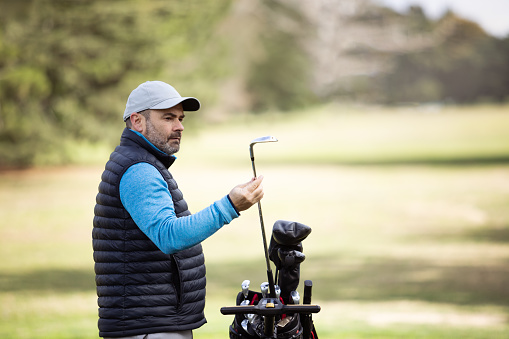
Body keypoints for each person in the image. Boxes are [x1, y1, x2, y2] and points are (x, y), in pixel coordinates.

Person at [93, 81, 264, 339]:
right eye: (168, 117)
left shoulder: (141, 162)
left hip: (155, 324)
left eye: (181, 118)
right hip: (149, 329)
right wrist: (229, 206)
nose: (180, 126)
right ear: (137, 121)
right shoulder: (139, 169)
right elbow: (169, 236)